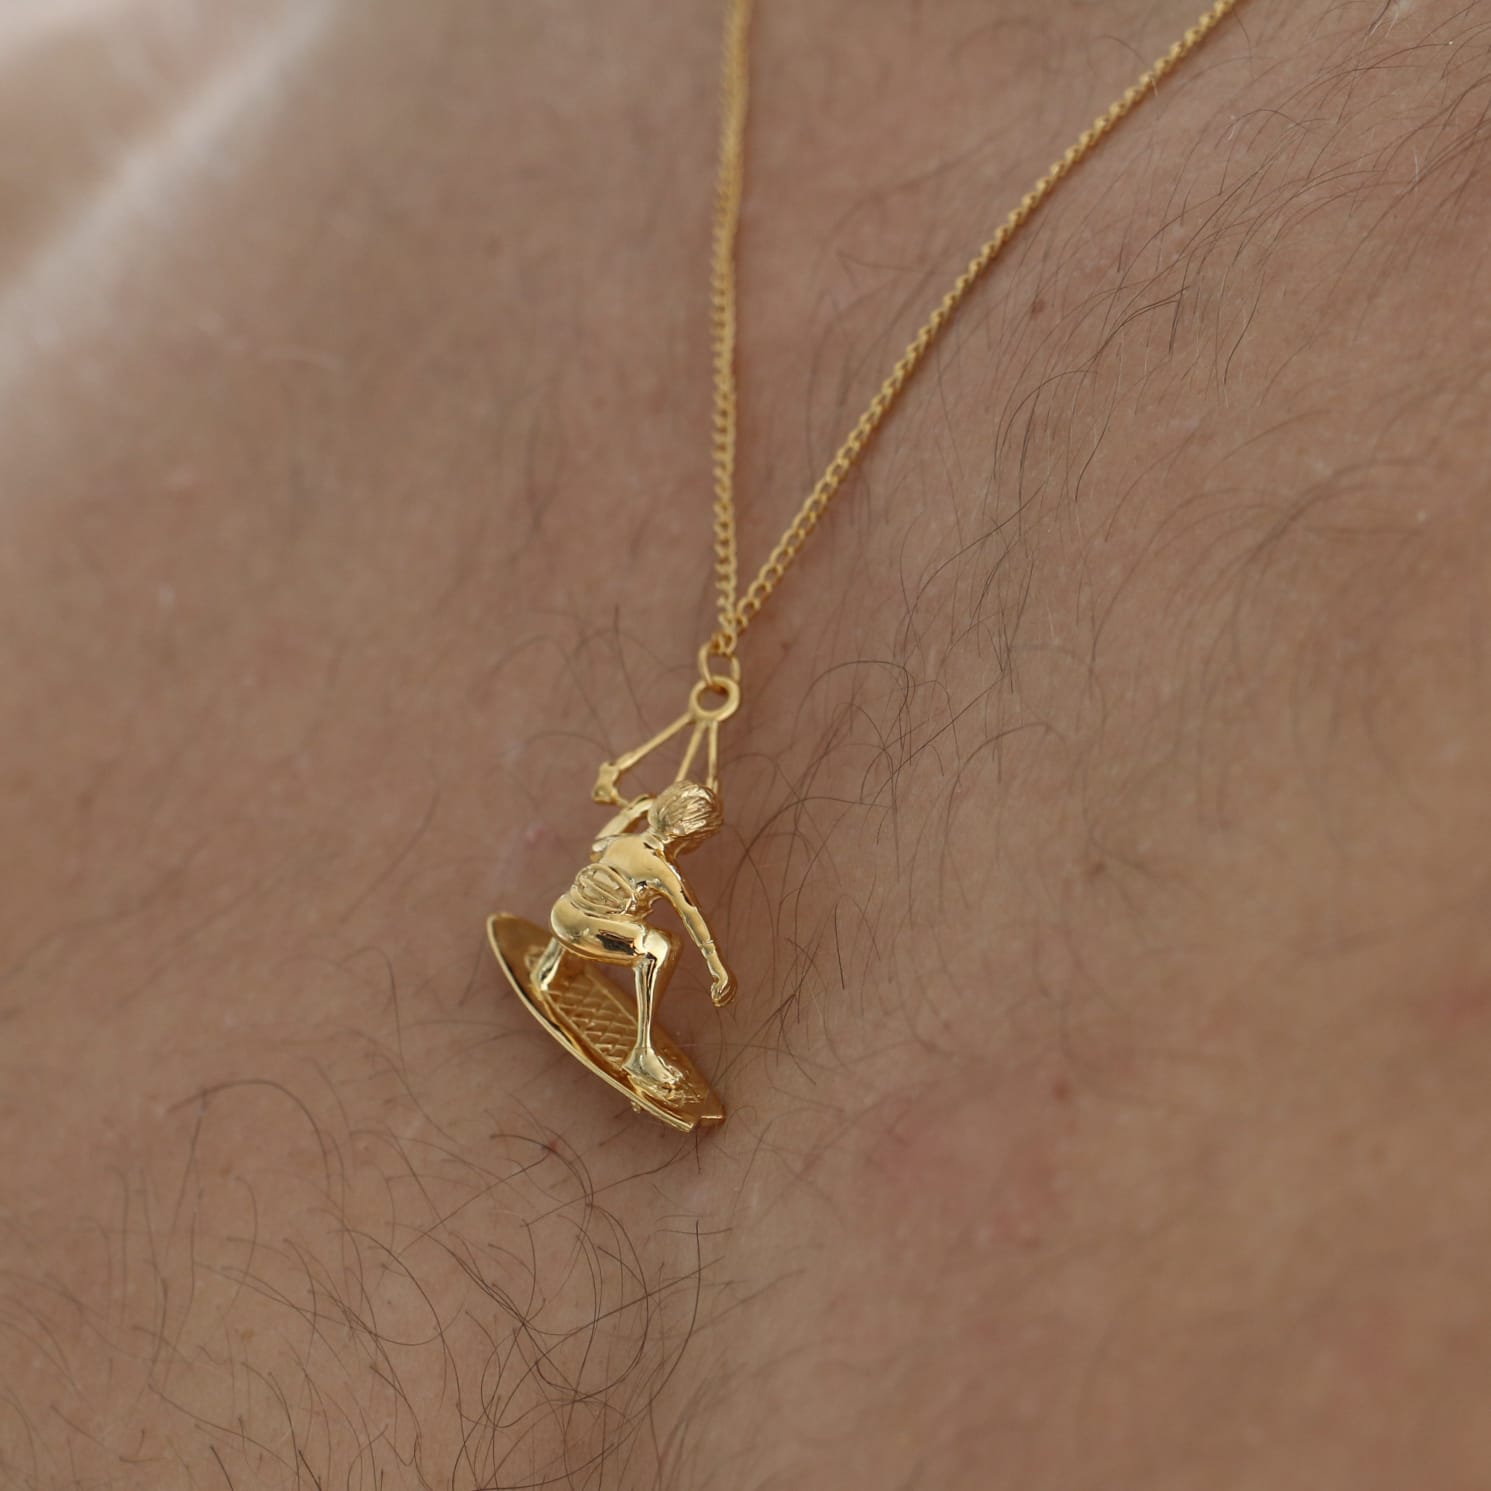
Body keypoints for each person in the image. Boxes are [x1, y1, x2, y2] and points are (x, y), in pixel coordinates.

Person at [533, 780, 734, 1093]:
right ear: (690, 833)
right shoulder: (661, 868)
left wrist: (631, 811)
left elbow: (595, 848)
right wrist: (717, 967)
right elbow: (692, 916)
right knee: (661, 947)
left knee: (594, 897)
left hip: (561, 914)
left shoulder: (620, 841)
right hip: (585, 930)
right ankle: (643, 1054)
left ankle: (549, 970)